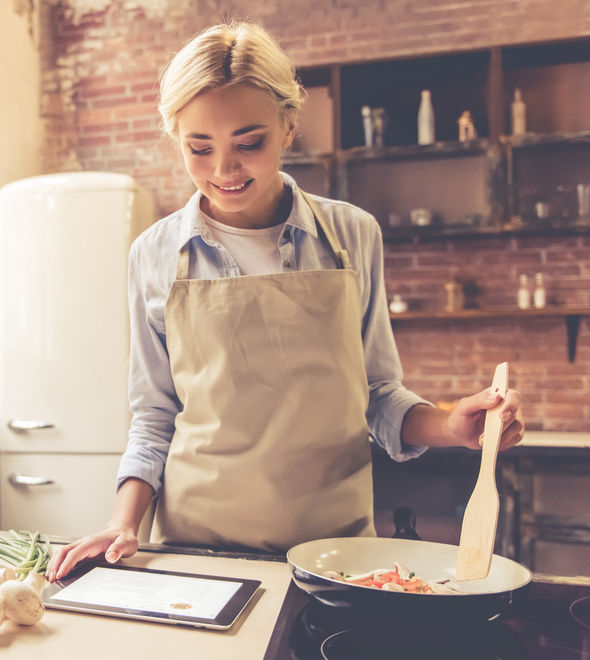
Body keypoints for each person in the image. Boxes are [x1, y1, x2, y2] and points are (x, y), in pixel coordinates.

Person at [45, 21, 524, 581]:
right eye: (198, 147)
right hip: (200, 554)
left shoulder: (352, 235)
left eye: (250, 143)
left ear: (289, 127)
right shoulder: (151, 255)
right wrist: (124, 522)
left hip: (336, 554)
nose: (223, 170)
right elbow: (155, 417)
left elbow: (374, 393)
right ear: (176, 136)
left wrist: (451, 426)